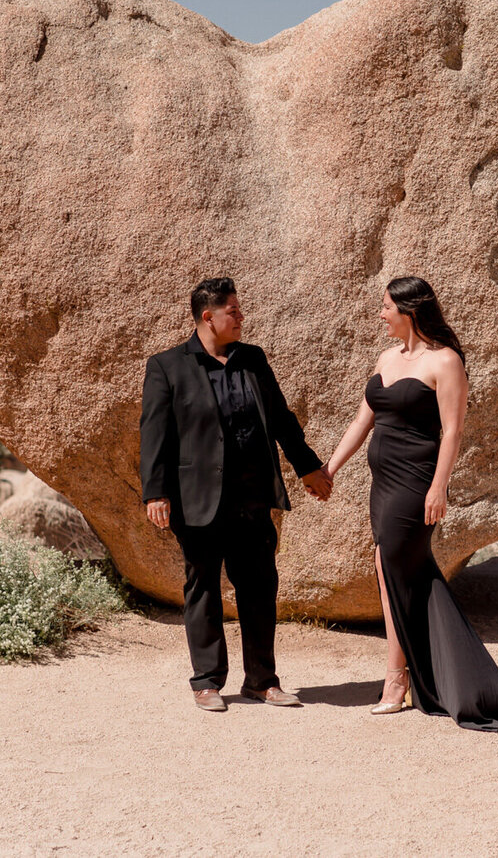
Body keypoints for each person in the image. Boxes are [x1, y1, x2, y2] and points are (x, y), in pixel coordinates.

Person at [324, 276, 498, 731]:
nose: (381, 314)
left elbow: (453, 431)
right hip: (383, 480)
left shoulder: (446, 362)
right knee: (392, 566)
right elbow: (363, 418)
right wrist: (329, 469)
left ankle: (397, 679)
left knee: (392, 564)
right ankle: (427, 670)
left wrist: (439, 486)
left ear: (409, 311)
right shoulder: (388, 357)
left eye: (387, 307)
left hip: (416, 481)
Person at [140, 278, 334, 712]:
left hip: (251, 497)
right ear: (208, 317)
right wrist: (155, 492)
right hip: (197, 500)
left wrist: (308, 468)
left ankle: (262, 680)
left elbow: (282, 419)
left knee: (260, 588)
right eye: (233, 310)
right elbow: (155, 434)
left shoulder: (253, 360)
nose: (241, 317)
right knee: (203, 588)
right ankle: (207, 681)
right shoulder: (167, 366)